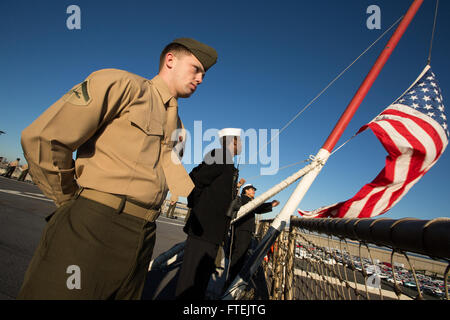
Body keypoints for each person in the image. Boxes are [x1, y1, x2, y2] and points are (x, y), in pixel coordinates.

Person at [17, 38, 218, 300]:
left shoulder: (180, 130)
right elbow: (45, 138)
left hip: (144, 236)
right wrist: (70, 203)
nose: (201, 79)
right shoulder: (123, 85)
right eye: (196, 69)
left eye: (204, 73)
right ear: (170, 60)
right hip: (94, 224)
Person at [175, 128, 242, 300]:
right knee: (190, 284)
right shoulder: (220, 156)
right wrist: (199, 208)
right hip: (204, 229)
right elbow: (196, 180)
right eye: (239, 141)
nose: (242, 145)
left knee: (199, 283)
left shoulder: (227, 162)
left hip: (212, 231)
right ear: (232, 142)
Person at [226, 184, 280, 287]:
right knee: (238, 254)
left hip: (245, 230)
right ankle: (231, 281)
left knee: (241, 255)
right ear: (246, 191)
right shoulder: (244, 199)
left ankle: (232, 278)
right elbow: (257, 207)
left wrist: (271, 205)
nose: (254, 191)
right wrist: (271, 204)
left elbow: (257, 208)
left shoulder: (247, 200)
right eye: (252, 189)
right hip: (242, 230)